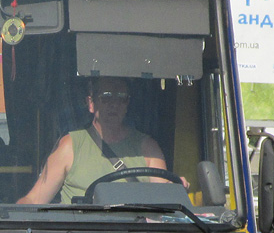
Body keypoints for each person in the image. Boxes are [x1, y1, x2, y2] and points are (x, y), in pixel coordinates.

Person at [18, 77, 176, 205]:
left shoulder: (148, 148)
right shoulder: (71, 146)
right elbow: (33, 200)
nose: (114, 104)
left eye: (121, 98)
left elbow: (165, 203)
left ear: (127, 104)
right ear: (91, 103)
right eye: (106, 97)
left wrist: (176, 190)